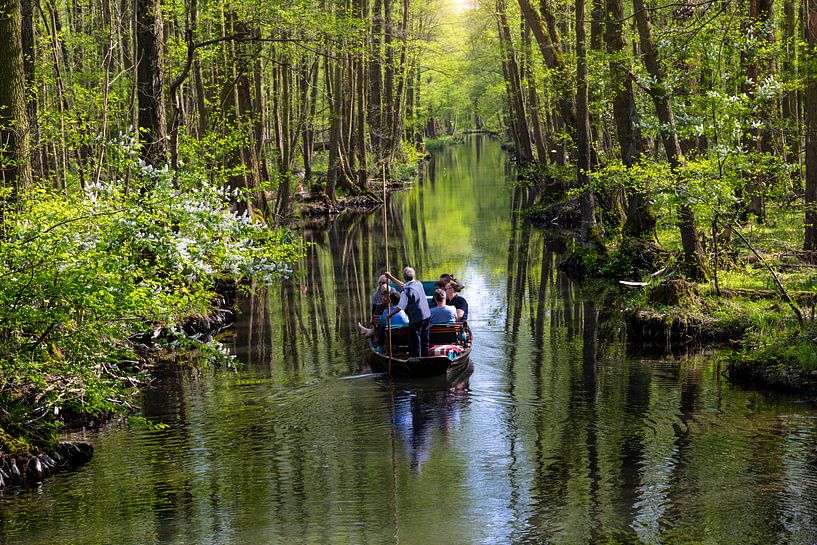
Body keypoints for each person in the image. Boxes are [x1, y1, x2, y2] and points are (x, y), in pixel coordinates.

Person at [385, 266, 431, 357]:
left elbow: (400, 307)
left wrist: (389, 315)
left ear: (404, 277)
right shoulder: (418, 283)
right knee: (424, 340)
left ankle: (417, 361)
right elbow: (403, 285)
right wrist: (390, 277)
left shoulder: (406, 291)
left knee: (415, 342)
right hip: (427, 316)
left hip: (416, 319)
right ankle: (425, 357)